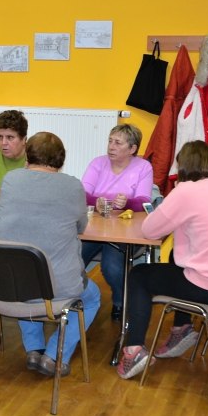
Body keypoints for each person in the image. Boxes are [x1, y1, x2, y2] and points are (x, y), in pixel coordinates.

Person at [117, 141, 208, 380]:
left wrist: (176, 197)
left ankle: (133, 350)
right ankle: (181, 327)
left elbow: (150, 230)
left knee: (139, 275)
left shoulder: (187, 191)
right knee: (175, 255)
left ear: (184, 167)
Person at [0, 132, 101, 377]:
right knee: (92, 298)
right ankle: (55, 354)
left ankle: (34, 349)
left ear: (28, 154)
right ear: (60, 159)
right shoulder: (72, 186)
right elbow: (81, 227)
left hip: (12, 282)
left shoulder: (11, 179)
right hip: (58, 284)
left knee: (26, 277)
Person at [79, 124, 154, 320]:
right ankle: (73, 297)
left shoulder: (143, 167)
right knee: (74, 258)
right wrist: (96, 202)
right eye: (110, 141)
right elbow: (81, 193)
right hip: (94, 228)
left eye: (118, 143)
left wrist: (127, 203)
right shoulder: (98, 163)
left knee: (111, 266)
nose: (111, 146)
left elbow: (144, 202)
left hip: (124, 230)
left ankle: (121, 301)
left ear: (132, 148)